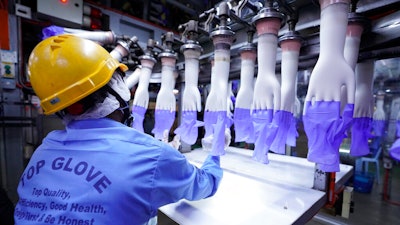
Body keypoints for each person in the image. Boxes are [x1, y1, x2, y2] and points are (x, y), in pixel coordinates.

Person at [14, 34, 223, 225]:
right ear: (117, 87)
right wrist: (214, 153)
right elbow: (205, 184)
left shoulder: (44, 150)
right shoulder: (151, 155)